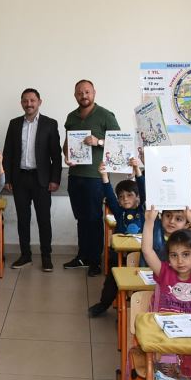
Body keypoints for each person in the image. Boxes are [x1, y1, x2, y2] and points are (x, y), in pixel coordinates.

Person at [63, 80, 119, 276]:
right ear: (75, 95)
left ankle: (95, 260)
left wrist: (99, 141)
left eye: (87, 91)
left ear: (94, 92)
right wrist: (67, 156)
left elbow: (119, 143)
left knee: (94, 219)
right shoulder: (71, 117)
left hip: (96, 177)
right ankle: (82, 256)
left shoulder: (105, 115)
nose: (83, 95)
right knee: (81, 219)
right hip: (75, 175)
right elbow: (66, 144)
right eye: (79, 92)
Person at [3, 88, 62, 272]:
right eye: (25, 101)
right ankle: (25, 255)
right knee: (23, 219)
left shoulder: (50, 124)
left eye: (32, 100)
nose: (29, 104)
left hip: (42, 179)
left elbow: (56, 155)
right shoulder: (14, 124)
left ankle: (46, 257)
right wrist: (8, 178)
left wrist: (55, 179)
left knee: (44, 219)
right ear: (21, 103)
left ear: (39, 102)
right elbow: (8, 153)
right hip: (20, 178)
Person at [88, 158, 146, 317]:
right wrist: (104, 175)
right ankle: (103, 304)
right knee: (111, 283)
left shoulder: (142, 211)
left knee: (140, 284)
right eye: (121, 197)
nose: (125, 199)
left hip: (141, 257)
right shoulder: (120, 212)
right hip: (119, 256)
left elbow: (144, 189)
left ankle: (133, 311)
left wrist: (137, 169)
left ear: (137, 197)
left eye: (129, 195)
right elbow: (109, 195)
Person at [141, 206, 191, 314]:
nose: (180, 261)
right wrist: (149, 222)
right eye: (174, 255)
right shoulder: (164, 272)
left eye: (186, 254)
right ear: (168, 257)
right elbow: (147, 251)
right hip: (164, 328)